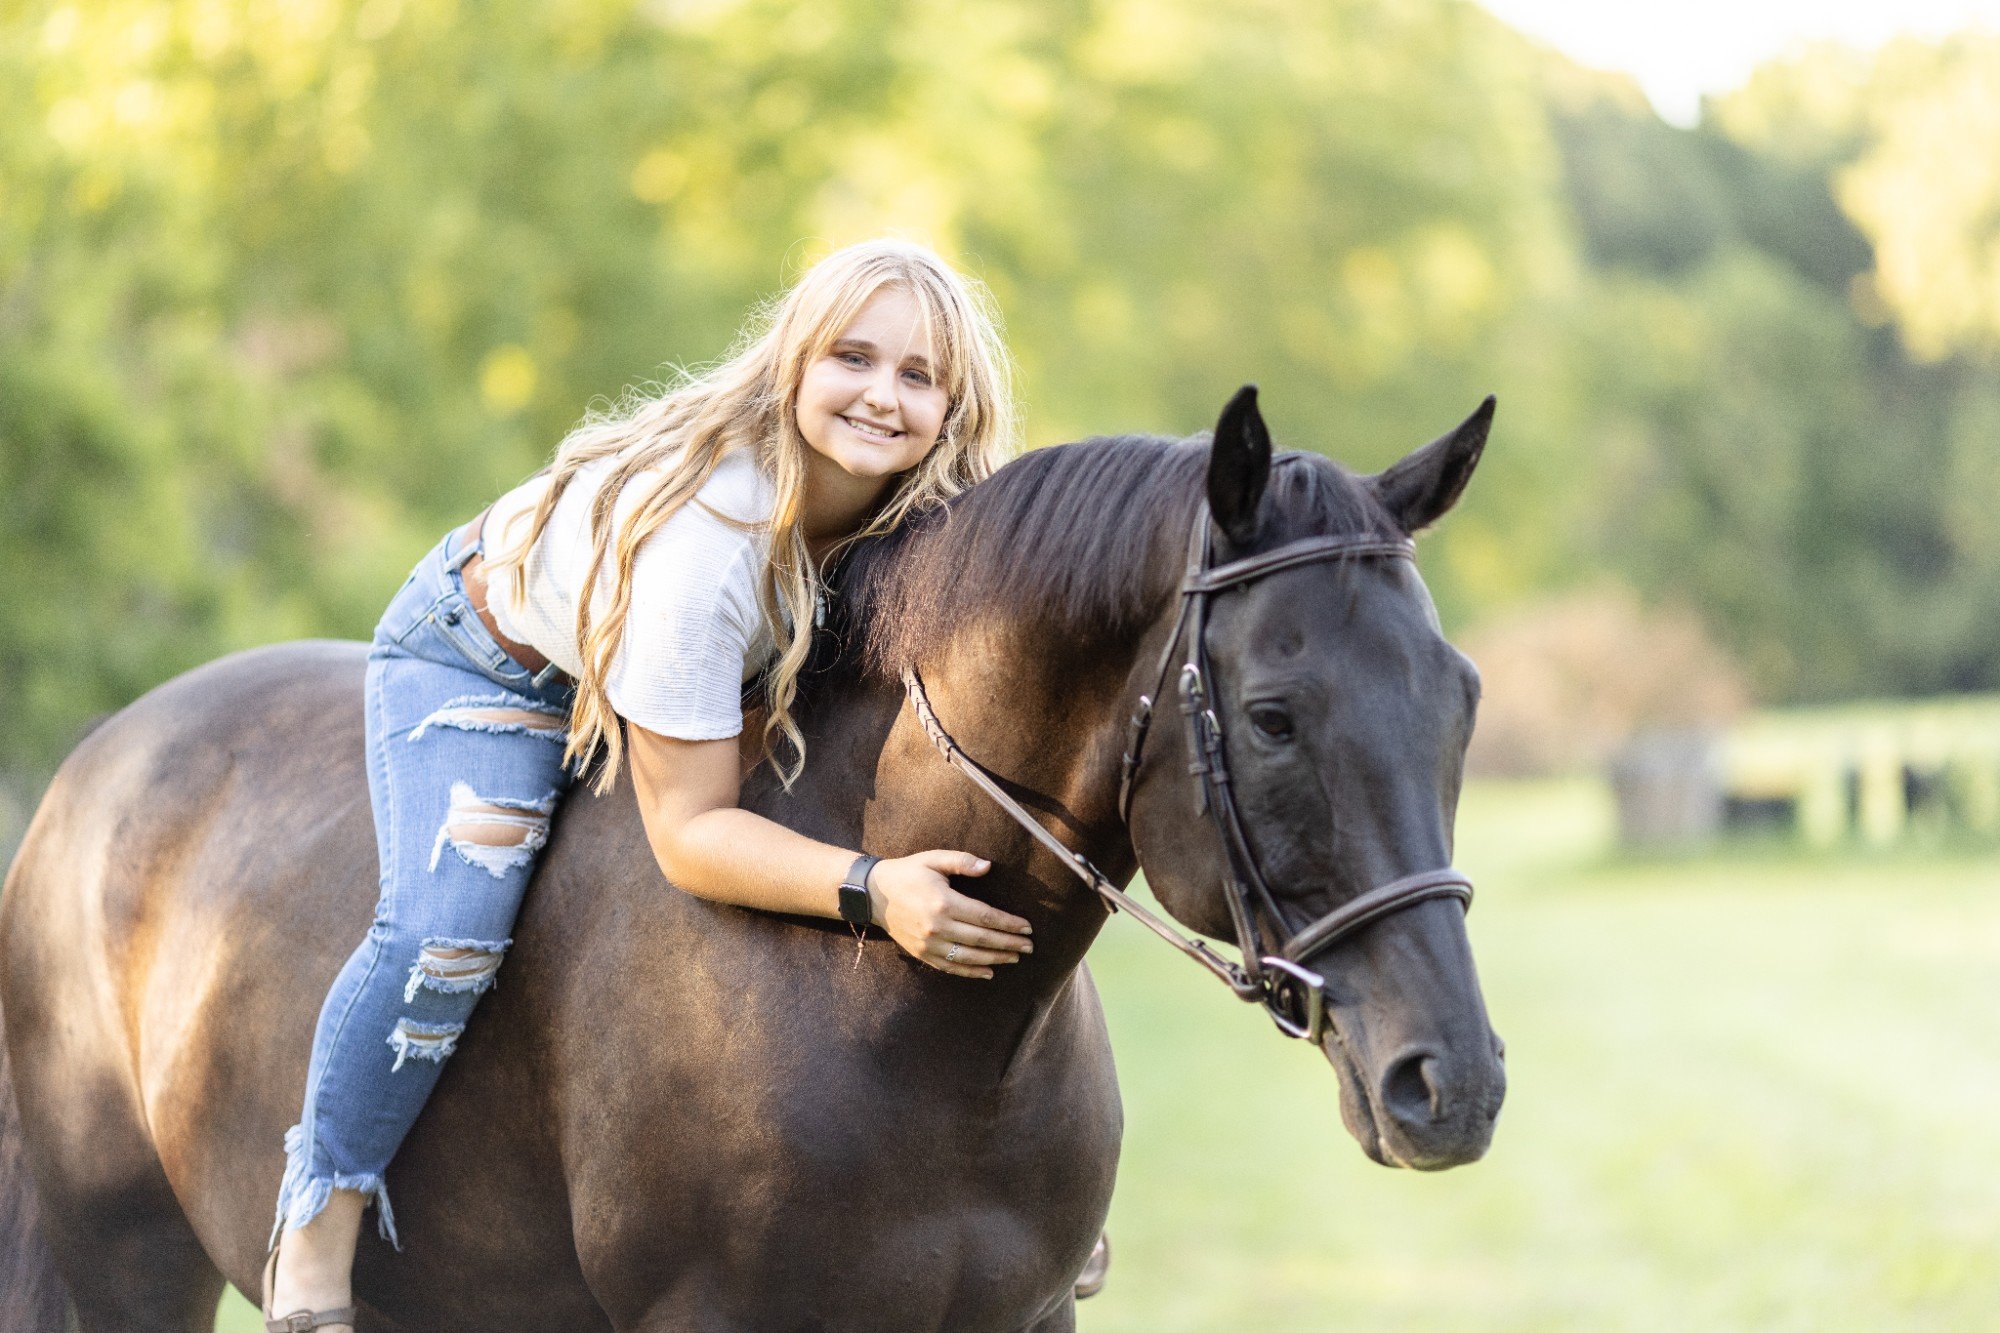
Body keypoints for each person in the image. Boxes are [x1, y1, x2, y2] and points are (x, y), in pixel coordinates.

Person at [264, 239, 1038, 1330]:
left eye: (917, 376)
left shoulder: (928, 516)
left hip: (726, 676)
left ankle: (1015, 1181)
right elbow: (689, 834)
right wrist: (871, 884)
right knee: (448, 930)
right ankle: (315, 1230)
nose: (880, 395)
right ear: (792, 364)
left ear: (954, 406)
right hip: (500, 660)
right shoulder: (708, 540)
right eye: (851, 358)